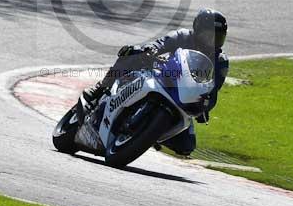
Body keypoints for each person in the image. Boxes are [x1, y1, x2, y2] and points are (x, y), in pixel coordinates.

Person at [82, 9, 229, 156]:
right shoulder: (183, 36)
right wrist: (150, 50)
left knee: (186, 146)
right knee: (130, 55)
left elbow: (213, 89)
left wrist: (205, 108)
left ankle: (147, 133)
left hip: (184, 97)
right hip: (163, 76)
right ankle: (100, 88)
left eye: (218, 37)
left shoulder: (220, 61)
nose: (212, 41)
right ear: (198, 29)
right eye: (209, 35)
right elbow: (161, 44)